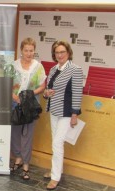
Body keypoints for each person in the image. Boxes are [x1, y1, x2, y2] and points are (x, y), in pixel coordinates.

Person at [43, 40, 83, 190]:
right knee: (56, 142)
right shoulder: (53, 69)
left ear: (68, 53)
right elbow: (47, 90)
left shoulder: (75, 69)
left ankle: (55, 177)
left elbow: (77, 94)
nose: (59, 55)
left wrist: (74, 115)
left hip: (66, 113)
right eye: (57, 52)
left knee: (57, 143)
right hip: (54, 110)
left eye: (62, 52)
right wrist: (46, 93)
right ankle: (56, 170)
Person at [10, 37, 46, 180]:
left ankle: (26, 163)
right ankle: (17, 158)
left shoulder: (38, 67)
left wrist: (29, 94)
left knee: (27, 135)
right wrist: (14, 96)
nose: (29, 53)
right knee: (15, 133)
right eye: (26, 50)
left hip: (30, 106)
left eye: (31, 50)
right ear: (21, 50)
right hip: (15, 104)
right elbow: (6, 84)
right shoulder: (13, 65)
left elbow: (42, 86)